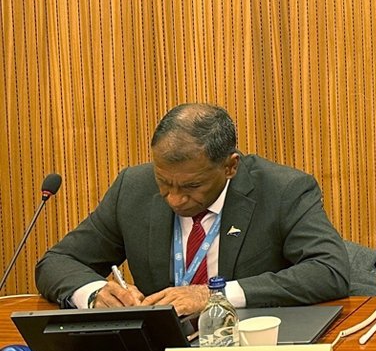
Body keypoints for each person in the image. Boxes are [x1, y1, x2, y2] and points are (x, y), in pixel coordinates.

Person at [35, 103, 350, 313]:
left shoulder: (283, 190)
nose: (173, 198)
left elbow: (329, 271)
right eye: (164, 182)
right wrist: (94, 293)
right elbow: (58, 261)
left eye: (190, 186)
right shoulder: (133, 187)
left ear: (230, 167)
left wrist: (215, 296)